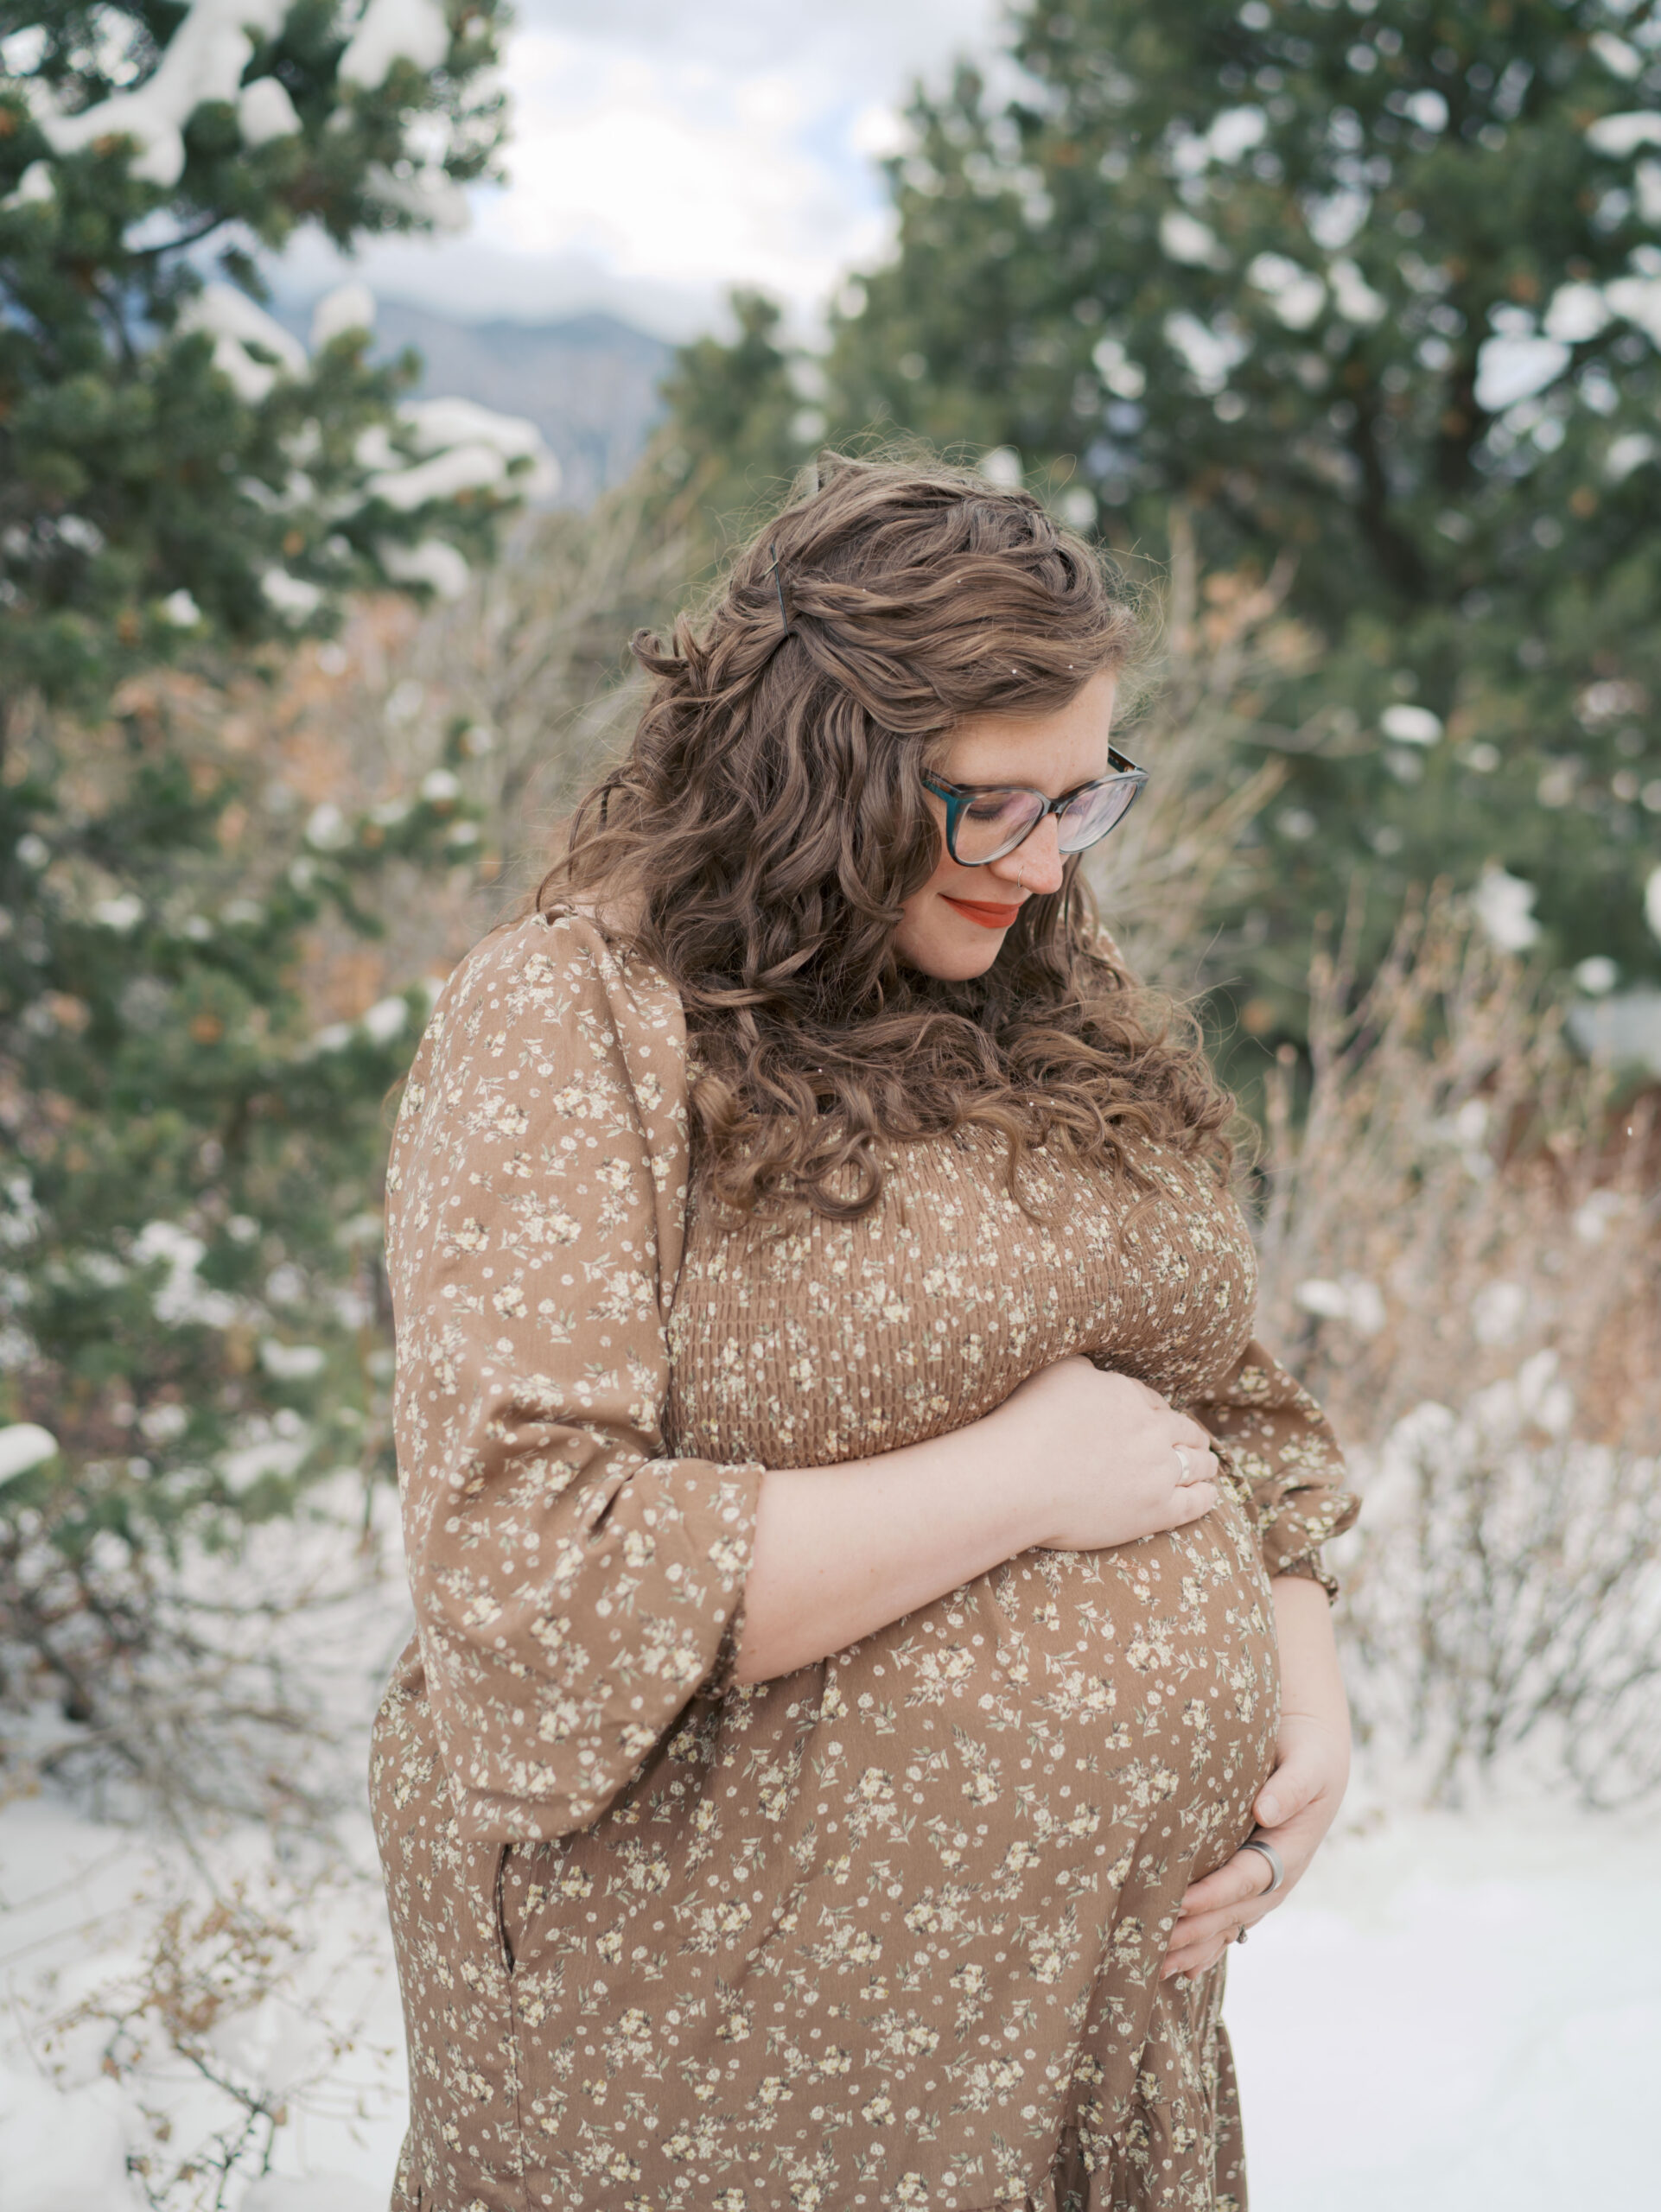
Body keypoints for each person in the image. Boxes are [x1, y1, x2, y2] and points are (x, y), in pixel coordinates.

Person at [372, 456, 1359, 2212]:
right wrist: (1016, 1478)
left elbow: (1225, 1401)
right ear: (819, 770)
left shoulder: (1046, 988)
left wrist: (1301, 1662)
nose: (1052, 866)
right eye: (997, 803)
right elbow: (528, 1581)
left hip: (1086, 2036)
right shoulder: (574, 1018)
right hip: (731, 2068)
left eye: (1086, 797)